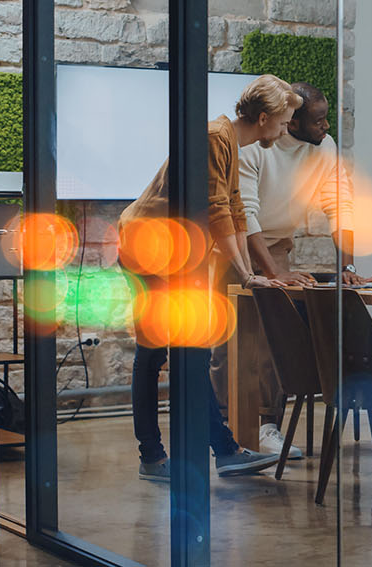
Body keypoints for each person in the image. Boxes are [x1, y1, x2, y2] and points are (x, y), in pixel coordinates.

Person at [117, 74, 303, 482]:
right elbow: (219, 211)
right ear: (262, 116)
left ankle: (223, 450)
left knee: (191, 350)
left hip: (173, 252)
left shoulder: (230, 142)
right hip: (150, 248)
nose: (286, 130)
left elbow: (233, 208)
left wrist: (253, 273)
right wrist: (247, 274)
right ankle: (163, 455)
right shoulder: (214, 137)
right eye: (284, 122)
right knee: (157, 353)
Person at [236, 82, 359, 458]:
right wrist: (271, 273)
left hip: (276, 243)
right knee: (234, 344)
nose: (326, 127)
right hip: (237, 242)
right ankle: (233, 431)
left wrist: (346, 265)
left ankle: (265, 425)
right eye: (318, 120)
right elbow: (245, 214)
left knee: (275, 338)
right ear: (291, 123)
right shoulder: (255, 147)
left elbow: (340, 204)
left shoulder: (325, 147)